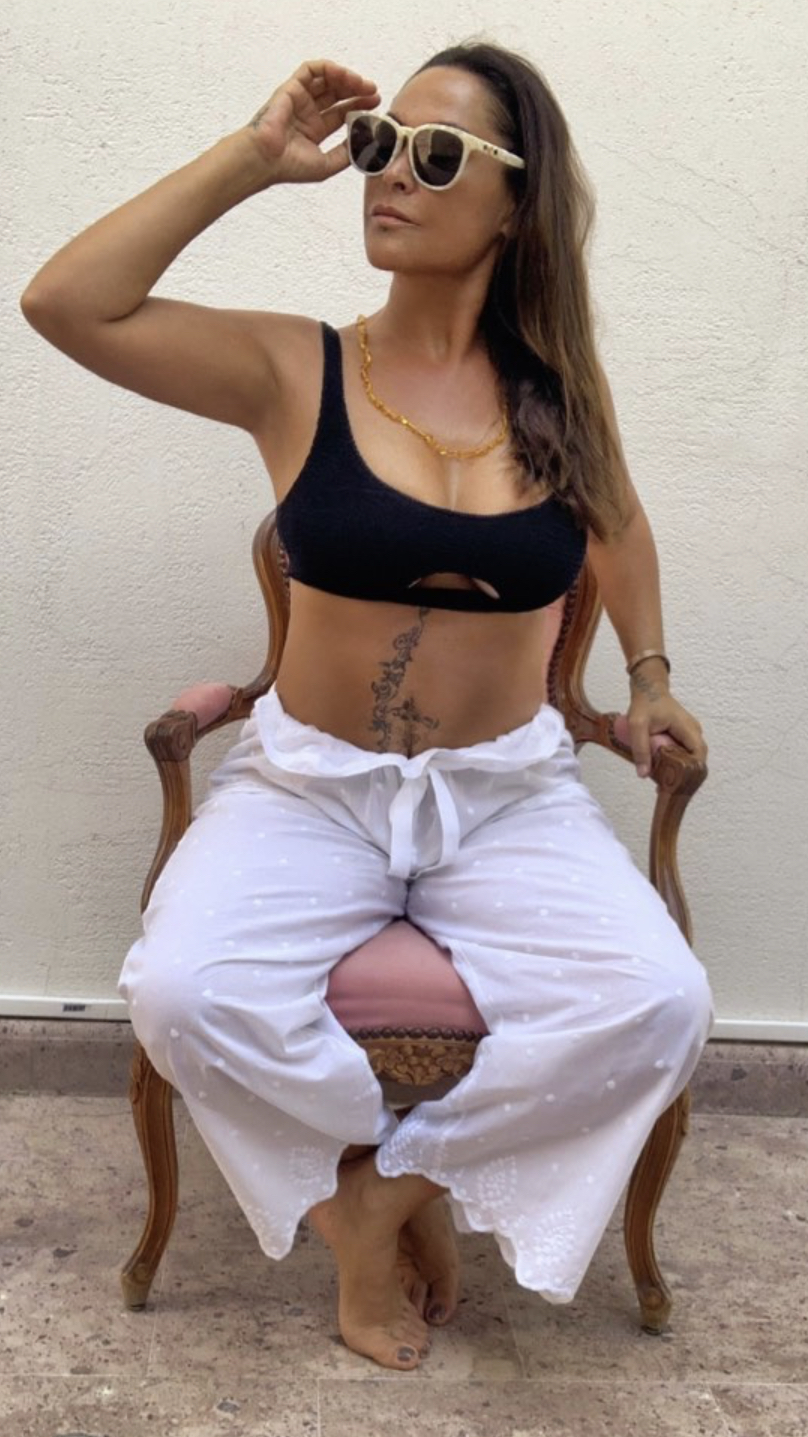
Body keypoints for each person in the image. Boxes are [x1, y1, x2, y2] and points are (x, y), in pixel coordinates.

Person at [21, 43, 714, 1373]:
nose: (391, 172)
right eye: (385, 143)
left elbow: (618, 527)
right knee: (181, 990)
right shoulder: (297, 369)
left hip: (506, 796)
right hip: (310, 790)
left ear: (515, 204)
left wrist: (648, 676)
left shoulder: (557, 397)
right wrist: (251, 157)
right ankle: (362, 1190)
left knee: (660, 1004)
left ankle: (389, 1190)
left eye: (438, 155)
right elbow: (67, 302)